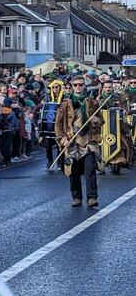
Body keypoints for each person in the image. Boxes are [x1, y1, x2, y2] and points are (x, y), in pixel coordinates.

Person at [55, 75, 102, 209]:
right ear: (71, 86)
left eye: (80, 84)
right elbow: (58, 124)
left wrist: (96, 121)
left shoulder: (92, 102)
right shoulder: (65, 104)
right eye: (75, 85)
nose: (78, 87)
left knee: (90, 170)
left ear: (84, 85)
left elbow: (102, 120)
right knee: (73, 171)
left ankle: (92, 198)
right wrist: (62, 138)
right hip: (72, 141)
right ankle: (76, 197)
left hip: (89, 140)